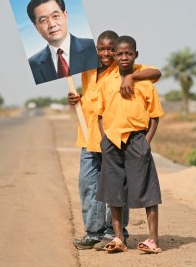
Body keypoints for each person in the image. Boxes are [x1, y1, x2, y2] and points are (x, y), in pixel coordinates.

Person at [68, 31, 162, 251]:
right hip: (91, 136)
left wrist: (131, 76)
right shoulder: (88, 70)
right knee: (90, 186)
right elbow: (95, 102)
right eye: (102, 49)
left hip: (120, 138)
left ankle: (115, 233)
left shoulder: (128, 70)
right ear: (96, 50)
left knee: (118, 187)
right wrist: (75, 99)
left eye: (113, 49)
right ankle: (93, 233)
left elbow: (156, 72)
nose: (108, 53)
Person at [95, 35, 164, 254]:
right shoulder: (105, 81)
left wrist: (145, 142)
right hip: (112, 142)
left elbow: (155, 117)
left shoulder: (145, 82)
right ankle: (118, 238)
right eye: (120, 53)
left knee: (147, 190)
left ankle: (152, 240)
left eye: (129, 53)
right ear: (113, 55)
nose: (124, 57)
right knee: (114, 192)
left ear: (136, 55)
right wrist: (104, 139)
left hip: (137, 140)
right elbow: (99, 114)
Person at [27, 0, 98, 84]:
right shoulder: (33, 64)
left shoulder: (93, 48)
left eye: (55, 16)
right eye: (43, 20)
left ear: (65, 15)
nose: (52, 25)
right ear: (36, 27)